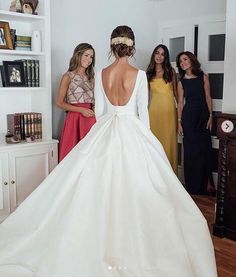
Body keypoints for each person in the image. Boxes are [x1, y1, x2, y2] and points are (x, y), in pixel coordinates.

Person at [0, 26, 217, 277]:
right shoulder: (138, 75)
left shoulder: (102, 73)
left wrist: (96, 137)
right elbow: (141, 113)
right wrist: (148, 141)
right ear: (131, 46)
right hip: (132, 129)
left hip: (104, 129)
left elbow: (101, 113)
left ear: (112, 46)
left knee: (96, 186)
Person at [176, 51, 216, 195]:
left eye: (185, 59)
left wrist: (211, 116)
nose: (183, 63)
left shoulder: (203, 77)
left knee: (204, 150)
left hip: (203, 117)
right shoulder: (181, 82)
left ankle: (207, 185)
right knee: (191, 152)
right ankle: (192, 187)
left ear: (191, 60)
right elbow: (180, 103)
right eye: (180, 61)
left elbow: (208, 97)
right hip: (188, 119)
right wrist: (179, 122)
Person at [56, 43, 96, 161]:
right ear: (78, 55)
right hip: (74, 118)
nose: (89, 60)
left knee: (89, 156)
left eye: (91, 57)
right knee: (72, 156)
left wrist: (93, 109)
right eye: (86, 55)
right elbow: (59, 103)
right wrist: (81, 110)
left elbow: (95, 100)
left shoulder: (92, 78)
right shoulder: (68, 76)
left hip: (90, 119)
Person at [146, 44, 177, 173]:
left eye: (162, 54)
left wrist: (181, 116)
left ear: (166, 57)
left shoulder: (171, 72)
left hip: (169, 114)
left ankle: (171, 178)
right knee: (154, 144)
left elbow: (177, 94)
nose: (159, 56)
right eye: (157, 53)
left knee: (168, 144)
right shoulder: (148, 73)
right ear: (153, 55)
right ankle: (155, 177)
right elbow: (146, 97)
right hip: (153, 113)